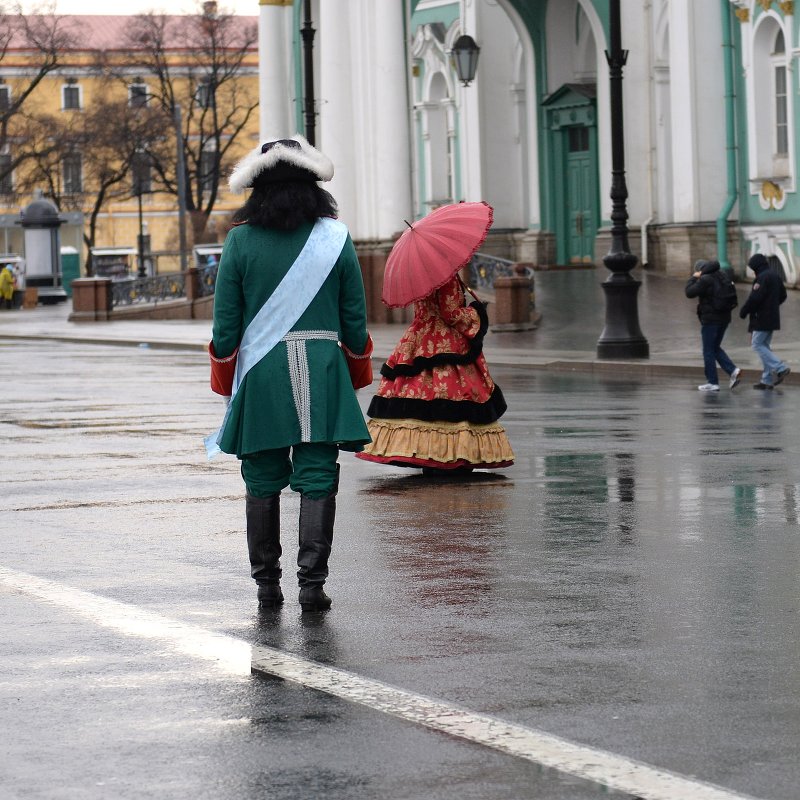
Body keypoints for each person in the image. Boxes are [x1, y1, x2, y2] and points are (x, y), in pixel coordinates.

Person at [207, 134, 372, 612]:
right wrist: (354, 365)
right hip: (321, 364)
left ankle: (266, 583)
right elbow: (354, 319)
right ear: (314, 190)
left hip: (261, 370)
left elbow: (225, 327)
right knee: (318, 472)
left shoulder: (239, 241)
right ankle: (312, 583)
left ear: (257, 192)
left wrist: (225, 376)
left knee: (261, 474)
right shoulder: (335, 238)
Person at [356, 274, 514, 473]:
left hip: (420, 336)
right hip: (445, 340)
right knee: (452, 394)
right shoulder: (445, 277)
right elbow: (451, 314)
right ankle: (449, 454)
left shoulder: (420, 277)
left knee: (418, 394)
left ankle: (423, 451)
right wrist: (476, 312)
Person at [684, 259, 741, 392]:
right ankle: (733, 371)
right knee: (715, 347)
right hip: (725, 318)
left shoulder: (706, 279)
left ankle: (712, 382)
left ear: (700, 270)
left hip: (711, 320)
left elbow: (689, 292)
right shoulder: (723, 275)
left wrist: (693, 278)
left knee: (708, 351)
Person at [739, 252, 790, 390]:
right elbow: (783, 295)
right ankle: (767, 380)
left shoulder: (762, 278)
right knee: (764, 346)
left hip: (761, 318)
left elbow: (755, 299)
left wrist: (744, 311)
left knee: (756, 345)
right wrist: (772, 306)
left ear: (756, 267)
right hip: (772, 317)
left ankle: (780, 367)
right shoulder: (775, 275)